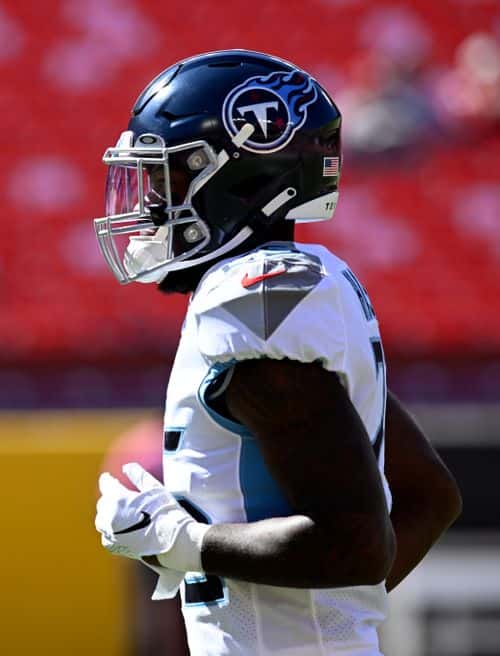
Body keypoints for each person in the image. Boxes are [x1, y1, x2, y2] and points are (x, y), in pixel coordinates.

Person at [94, 49, 461, 656]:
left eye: (171, 176)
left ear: (241, 177)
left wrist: (181, 542)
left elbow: (357, 542)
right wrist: (335, 624)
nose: (152, 201)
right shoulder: (297, 287)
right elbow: (428, 498)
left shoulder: (255, 302)